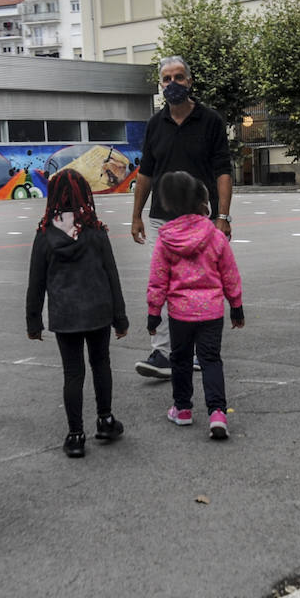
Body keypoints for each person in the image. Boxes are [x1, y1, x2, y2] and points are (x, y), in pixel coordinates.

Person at [130, 56, 233, 379]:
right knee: (160, 284)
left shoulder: (210, 121)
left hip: (202, 221)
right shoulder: (154, 125)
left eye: (178, 77)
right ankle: (164, 353)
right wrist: (136, 216)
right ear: (161, 86)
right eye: (166, 79)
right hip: (163, 221)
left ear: (189, 81)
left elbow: (223, 172)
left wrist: (223, 216)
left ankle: (200, 352)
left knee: (201, 286)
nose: (172, 84)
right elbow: (145, 173)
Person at [26, 168, 130, 458]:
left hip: (65, 316)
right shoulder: (95, 231)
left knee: (73, 373)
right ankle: (106, 420)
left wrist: (33, 322)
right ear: (85, 194)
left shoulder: (45, 234)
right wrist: (120, 318)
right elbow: (112, 276)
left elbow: (36, 282)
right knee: (101, 364)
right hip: (98, 312)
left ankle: (75, 435)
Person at [145, 171, 243, 440]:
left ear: (169, 205)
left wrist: (154, 313)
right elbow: (229, 274)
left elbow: (158, 280)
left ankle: (183, 409)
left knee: (181, 360)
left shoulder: (166, 240)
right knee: (211, 360)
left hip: (180, 314)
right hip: (211, 312)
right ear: (202, 202)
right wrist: (236, 305)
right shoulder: (214, 237)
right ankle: (217, 413)